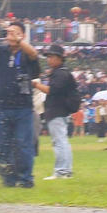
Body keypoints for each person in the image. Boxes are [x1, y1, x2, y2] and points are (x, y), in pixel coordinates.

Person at [0, 20, 40, 188]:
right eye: (8, 32)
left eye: (15, 32)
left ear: (23, 35)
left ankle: (26, 178)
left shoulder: (26, 52)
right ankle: (8, 179)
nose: (10, 35)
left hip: (23, 107)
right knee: (3, 144)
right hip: (2, 106)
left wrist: (20, 41)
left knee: (23, 143)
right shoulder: (1, 51)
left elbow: (34, 54)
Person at [33, 43, 75, 180]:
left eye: (51, 57)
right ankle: (66, 170)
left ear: (59, 58)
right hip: (59, 110)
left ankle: (62, 171)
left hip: (57, 110)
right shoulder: (61, 72)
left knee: (59, 141)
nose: (48, 59)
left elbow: (52, 90)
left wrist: (36, 85)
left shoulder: (60, 73)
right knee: (62, 141)